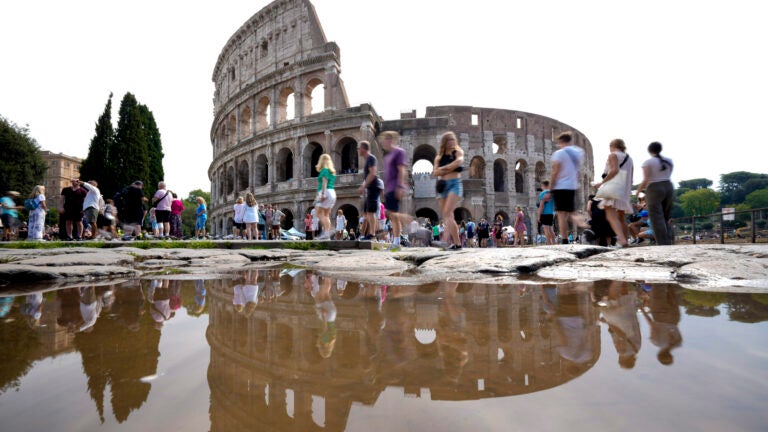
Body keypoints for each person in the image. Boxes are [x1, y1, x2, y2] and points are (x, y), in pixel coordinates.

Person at [593, 139, 634, 248]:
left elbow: (614, 170)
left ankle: (621, 240)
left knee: (609, 212)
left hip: (614, 185)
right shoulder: (629, 158)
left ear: (612, 146)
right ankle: (625, 240)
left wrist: (601, 183)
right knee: (621, 216)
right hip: (625, 188)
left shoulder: (613, 155)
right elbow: (631, 178)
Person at [550, 131, 586, 245]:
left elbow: (555, 171)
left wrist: (551, 186)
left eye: (559, 142)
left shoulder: (559, 153)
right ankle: (585, 224)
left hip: (560, 186)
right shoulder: (579, 152)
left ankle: (565, 239)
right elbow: (578, 171)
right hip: (572, 186)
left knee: (562, 215)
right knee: (570, 212)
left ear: (561, 142)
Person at [636, 141, 675, 245]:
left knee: (656, 217)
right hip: (668, 186)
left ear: (650, 151)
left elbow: (646, 179)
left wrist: (638, 191)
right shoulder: (669, 161)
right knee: (665, 216)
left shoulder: (648, 162)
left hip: (654, 188)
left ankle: (662, 243)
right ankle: (668, 240)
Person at [433, 131, 464, 250]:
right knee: (449, 215)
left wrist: (443, 169)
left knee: (447, 212)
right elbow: (435, 172)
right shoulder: (439, 157)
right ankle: (457, 244)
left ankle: (444, 240)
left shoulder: (458, 152)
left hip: (455, 184)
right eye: (449, 140)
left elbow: (459, 162)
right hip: (442, 186)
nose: (452, 142)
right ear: (444, 142)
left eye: (453, 139)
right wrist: (450, 167)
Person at [380, 131, 409, 249]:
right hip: (389, 189)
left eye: (384, 139)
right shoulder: (387, 156)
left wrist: (400, 186)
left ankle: (397, 242)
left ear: (390, 140)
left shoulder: (399, 152)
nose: (383, 142)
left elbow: (402, 169)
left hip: (395, 187)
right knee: (392, 216)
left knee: (394, 215)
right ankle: (396, 241)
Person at [357, 141, 381, 240]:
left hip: (373, 187)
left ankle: (372, 234)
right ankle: (371, 233)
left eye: (358, 148)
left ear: (363, 149)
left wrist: (364, 186)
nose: (358, 150)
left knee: (371, 212)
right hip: (370, 188)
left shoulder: (371, 158)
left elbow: (373, 173)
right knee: (368, 212)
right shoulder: (368, 159)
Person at [314, 153, 337, 240]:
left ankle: (328, 231)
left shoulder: (324, 170)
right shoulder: (332, 171)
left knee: (318, 213)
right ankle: (326, 235)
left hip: (325, 192)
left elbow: (324, 182)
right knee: (326, 215)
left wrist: (322, 194)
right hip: (332, 192)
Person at [537, 180, 556, 245]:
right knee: (551, 230)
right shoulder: (552, 193)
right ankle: (554, 243)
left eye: (541, 186)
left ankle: (549, 244)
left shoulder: (543, 193)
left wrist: (539, 216)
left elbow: (541, 206)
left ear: (543, 185)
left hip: (544, 213)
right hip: (551, 213)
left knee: (546, 230)